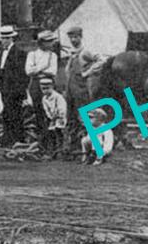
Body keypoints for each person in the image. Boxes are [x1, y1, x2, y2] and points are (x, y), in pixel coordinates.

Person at [62, 25, 107, 158]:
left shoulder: (85, 52)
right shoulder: (71, 52)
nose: (73, 40)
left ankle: (92, 148)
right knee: (71, 118)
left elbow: (102, 60)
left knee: (85, 118)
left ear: (80, 37)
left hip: (81, 90)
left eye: (76, 37)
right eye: (71, 37)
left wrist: (88, 72)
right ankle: (74, 147)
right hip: (70, 90)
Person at [0, 26, 29, 147]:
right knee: (6, 114)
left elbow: (22, 74)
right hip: (3, 87)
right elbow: (1, 69)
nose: (3, 40)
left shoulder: (19, 52)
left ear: (11, 38)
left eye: (6, 38)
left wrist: (20, 91)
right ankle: (7, 137)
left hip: (14, 89)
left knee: (15, 114)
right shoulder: (1, 52)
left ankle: (18, 140)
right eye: (2, 38)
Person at [26, 31, 60, 142]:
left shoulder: (53, 55)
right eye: (48, 41)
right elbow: (28, 71)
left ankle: (52, 141)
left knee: (51, 111)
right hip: (35, 85)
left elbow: (53, 71)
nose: (51, 44)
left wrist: (36, 69)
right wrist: (43, 67)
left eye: (51, 41)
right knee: (38, 111)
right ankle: (41, 140)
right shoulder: (32, 55)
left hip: (49, 85)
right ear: (41, 42)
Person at [38, 75, 67, 159]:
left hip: (60, 118)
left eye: (47, 88)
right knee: (51, 134)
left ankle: (60, 150)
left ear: (52, 87)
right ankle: (53, 151)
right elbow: (46, 110)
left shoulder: (58, 97)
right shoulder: (44, 99)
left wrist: (58, 115)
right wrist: (50, 117)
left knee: (59, 132)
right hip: (52, 119)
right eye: (43, 89)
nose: (45, 91)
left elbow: (62, 109)